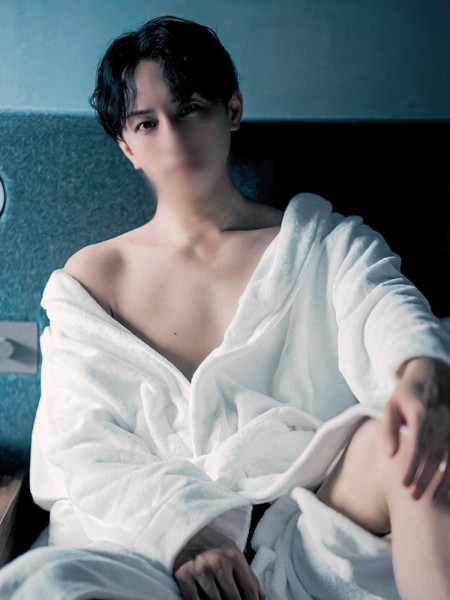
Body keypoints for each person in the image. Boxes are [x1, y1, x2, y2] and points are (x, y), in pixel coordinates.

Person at [1, 14, 450, 600]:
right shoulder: (93, 279)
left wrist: (422, 373)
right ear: (127, 146)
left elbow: (388, 309)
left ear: (231, 110)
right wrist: (186, 534)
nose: (173, 139)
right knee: (45, 584)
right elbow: (81, 444)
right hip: (153, 547)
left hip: (307, 524)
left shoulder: (321, 243)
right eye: (147, 123)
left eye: (189, 109)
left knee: (420, 434)